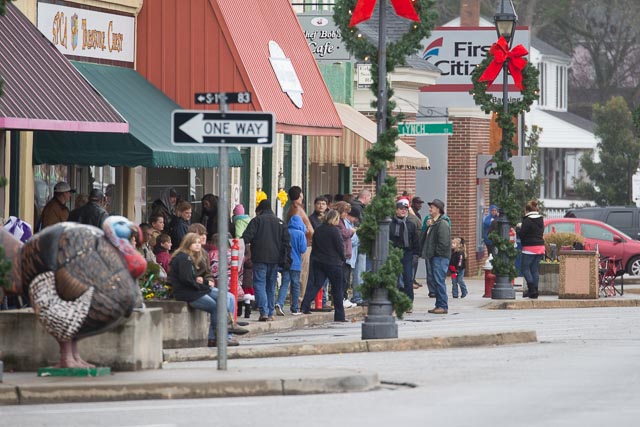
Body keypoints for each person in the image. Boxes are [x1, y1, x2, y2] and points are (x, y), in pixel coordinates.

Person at [168, 233, 247, 347]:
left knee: (227, 297)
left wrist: (202, 282)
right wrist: (203, 284)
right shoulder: (183, 258)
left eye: (199, 243)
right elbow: (187, 280)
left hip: (197, 289)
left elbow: (193, 278)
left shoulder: (190, 257)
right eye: (194, 243)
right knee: (216, 306)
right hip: (189, 293)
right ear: (187, 243)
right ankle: (219, 336)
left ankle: (225, 329)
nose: (197, 245)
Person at [242, 200, 291, 321]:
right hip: (275, 259)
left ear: (260, 210)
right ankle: (269, 312)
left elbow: (246, 237)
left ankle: (263, 311)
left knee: (259, 283)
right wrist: (285, 259)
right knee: (271, 285)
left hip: (259, 258)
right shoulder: (280, 222)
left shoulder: (257, 220)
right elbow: (287, 243)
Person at [300, 209, 346, 322]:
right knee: (337, 289)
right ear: (335, 219)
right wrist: (343, 258)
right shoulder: (335, 231)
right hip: (333, 263)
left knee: (316, 284)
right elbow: (340, 247)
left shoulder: (319, 230)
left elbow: (314, 245)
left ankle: (305, 305)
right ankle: (339, 316)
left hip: (319, 261)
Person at [423, 199, 451, 314]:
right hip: (436, 256)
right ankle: (438, 304)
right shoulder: (434, 223)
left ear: (438, 209)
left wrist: (436, 253)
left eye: (432, 207)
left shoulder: (442, 223)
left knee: (439, 281)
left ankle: (443, 305)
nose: (430, 209)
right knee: (436, 280)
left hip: (440, 257)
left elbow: (443, 243)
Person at [287, 186, 314, 307]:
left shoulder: (294, 208)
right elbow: (298, 227)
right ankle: (299, 300)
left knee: (301, 274)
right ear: (300, 195)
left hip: (305, 244)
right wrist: (308, 231)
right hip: (303, 246)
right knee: (302, 274)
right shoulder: (296, 209)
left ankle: (298, 299)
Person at [275, 215, 307, 316]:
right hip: (296, 263)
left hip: (286, 263)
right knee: (295, 285)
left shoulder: (286, 231)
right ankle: (294, 308)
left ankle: (279, 303)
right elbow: (303, 249)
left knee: (284, 284)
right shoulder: (301, 234)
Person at [390, 198, 420, 305]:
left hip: (407, 253)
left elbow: (415, 240)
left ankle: (408, 302)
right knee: (394, 278)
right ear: (396, 210)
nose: (403, 211)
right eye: (401, 208)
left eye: (406, 209)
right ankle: (394, 300)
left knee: (408, 278)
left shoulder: (410, 224)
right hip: (393, 253)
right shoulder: (390, 224)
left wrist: (416, 254)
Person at [517, 200, 545, 299]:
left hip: (529, 248)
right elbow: (541, 231)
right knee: (534, 269)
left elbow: (522, 234)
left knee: (525, 268)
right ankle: (535, 291)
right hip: (541, 247)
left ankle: (531, 289)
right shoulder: (541, 219)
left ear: (527, 210)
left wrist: (519, 228)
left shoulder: (527, 220)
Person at [334, 201, 355, 309]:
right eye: (345, 212)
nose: (346, 214)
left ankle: (343, 298)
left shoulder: (341, 221)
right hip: (342, 253)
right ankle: (341, 298)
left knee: (345, 278)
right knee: (343, 278)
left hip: (346, 253)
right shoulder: (338, 221)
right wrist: (351, 231)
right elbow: (342, 234)